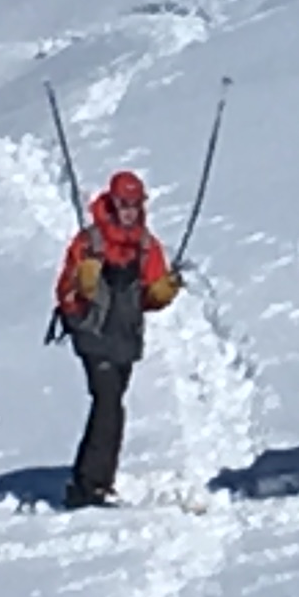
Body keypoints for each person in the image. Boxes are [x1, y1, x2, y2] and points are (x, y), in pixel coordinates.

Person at [51, 169, 179, 509]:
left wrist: (162, 293)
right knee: (108, 403)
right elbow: (63, 294)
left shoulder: (148, 247)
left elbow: (149, 297)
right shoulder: (88, 242)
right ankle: (88, 486)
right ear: (112, 201)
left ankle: (95, 480)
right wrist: (81, 284)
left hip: (125, 338)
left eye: (136, 204)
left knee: (112, 406)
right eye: (124, 203)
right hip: (93, 335)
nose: (130, 210)